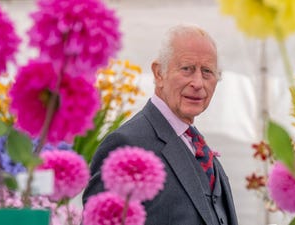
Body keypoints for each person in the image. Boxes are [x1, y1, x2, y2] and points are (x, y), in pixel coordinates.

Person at [82, 23, 238, 225]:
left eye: (207, 71)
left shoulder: (195, 144)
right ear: (158, 73)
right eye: (187, 69)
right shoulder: (126, 144)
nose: (198, 83)